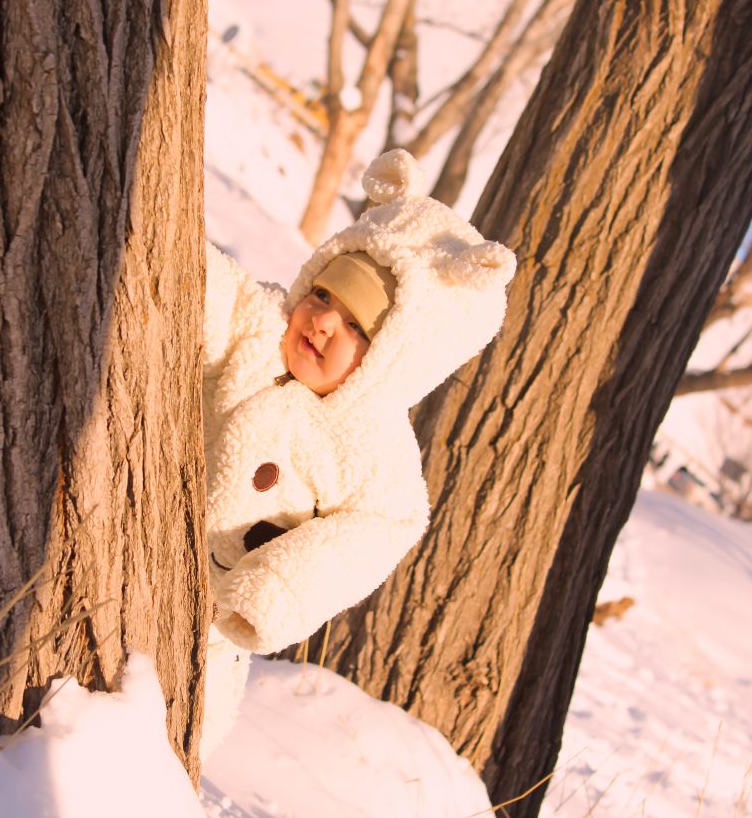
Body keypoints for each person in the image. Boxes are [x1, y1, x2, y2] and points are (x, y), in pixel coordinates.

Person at [200, 149, 516, 757]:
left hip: (211, 622)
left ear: (396, 359)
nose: (321, 323)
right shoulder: (262, 325)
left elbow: (372, 535)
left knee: (178, 733)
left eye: (357, 326)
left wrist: (273, 593)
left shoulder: (373, 454)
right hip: (136, 523)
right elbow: (211, 290)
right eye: (321, 295)